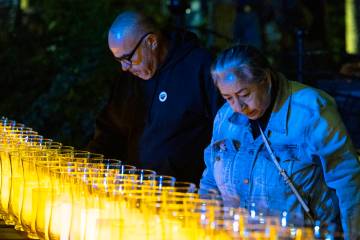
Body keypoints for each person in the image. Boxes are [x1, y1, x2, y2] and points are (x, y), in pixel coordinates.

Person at [199, 45, 360, 239]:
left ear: (265, 79)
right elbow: (210, 181)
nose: (238, 107)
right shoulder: (225, 118)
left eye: (244, 95)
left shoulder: (311, 111)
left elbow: (348, 181)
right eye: (228, 98)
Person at [87, 11, 222, 184]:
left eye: (127, 58)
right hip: (134, 190)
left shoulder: (199, 67)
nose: (124, 67)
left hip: (183, 196)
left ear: (151, 42)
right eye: (118, 60)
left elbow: (226, 131)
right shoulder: (130, 79)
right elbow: (110, 129)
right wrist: (91, 162)